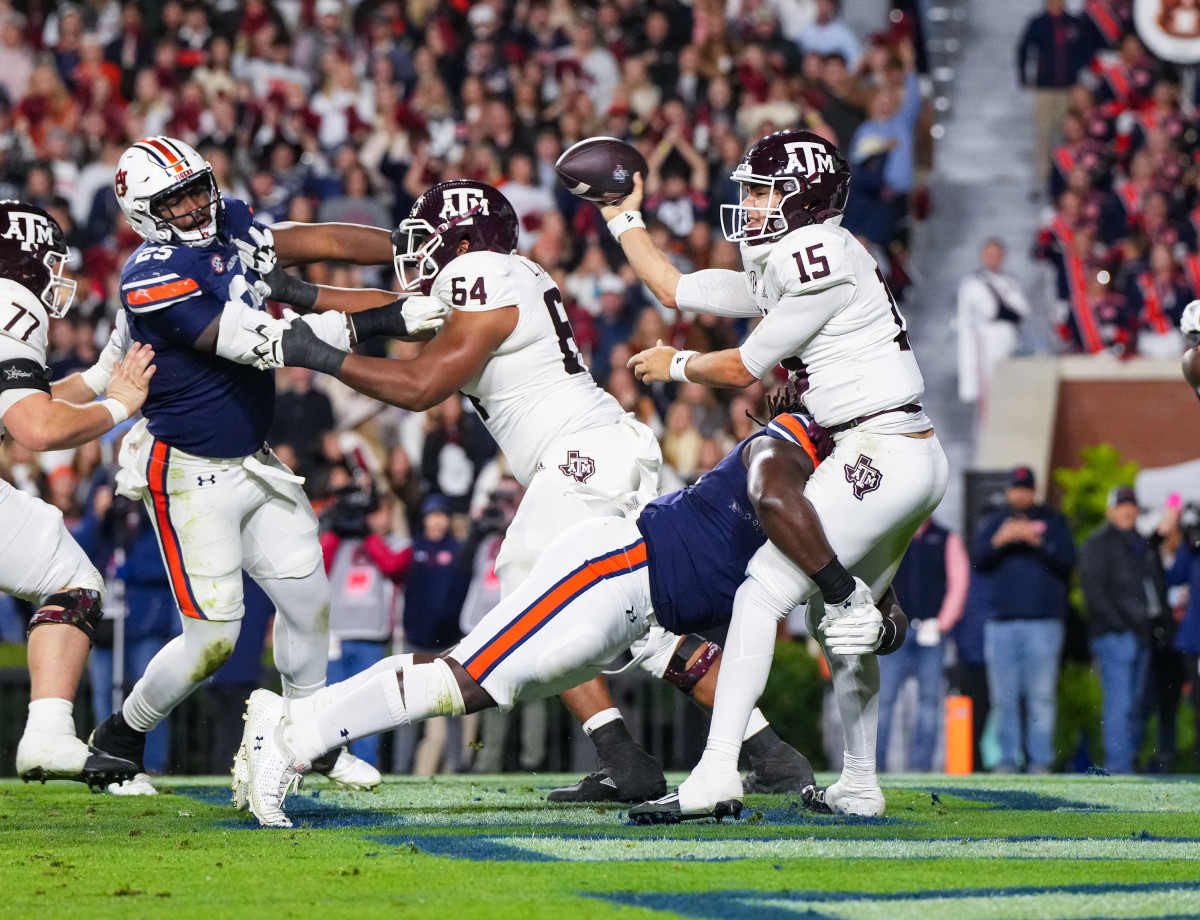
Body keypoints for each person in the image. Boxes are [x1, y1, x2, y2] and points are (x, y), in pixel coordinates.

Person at [240, 407, 908, 828]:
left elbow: (881, 608)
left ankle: (293, 721)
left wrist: (875, 618)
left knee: (476, 689)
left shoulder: (852, 492)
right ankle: (298, 738)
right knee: (471, 675)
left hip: (635, 612)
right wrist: (840, 586)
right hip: (611, 571)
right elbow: (773, 495)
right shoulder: (792, 439)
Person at [605, 128, 948, 818]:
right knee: (841, 616)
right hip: (898, 449)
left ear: (806, 200)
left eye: (765, 192)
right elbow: (675, 287)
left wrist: (677, 364)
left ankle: (716, 773)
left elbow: (741, 367)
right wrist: (622, 216)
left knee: (762, 592)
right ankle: (858, 782)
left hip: (876, 450)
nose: (752, 205)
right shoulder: (793, 260)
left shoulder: (813, 251)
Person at [89, 135, 441, 794]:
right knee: (212, 639)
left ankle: (313, 741)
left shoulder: (231, 229)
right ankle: (120, 737)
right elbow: (262, 344)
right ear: (144, 212)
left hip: (252, 458)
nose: (196, 204)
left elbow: (310, 240)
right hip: (189, 471)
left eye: (198, 187)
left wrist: (408, 242)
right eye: (176, 198)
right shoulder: (151, 275)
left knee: (309, 602)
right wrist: (386, 319)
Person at [0, 201, 155, 786]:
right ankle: (46, 734)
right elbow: (34, 426)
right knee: (71, 580)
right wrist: (119, 405)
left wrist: (94, 380)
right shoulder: (11, 297)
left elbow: (19, 397)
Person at [972, 466, 1075, 773]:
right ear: (1009, 490)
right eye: (1015, 488)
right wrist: (999, 541)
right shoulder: (995, 522)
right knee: (1003, 697)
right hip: (1001, 623)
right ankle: (1007, 759)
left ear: (1035, 490)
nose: (1020, 494)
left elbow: (1068, 560)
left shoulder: (1053, 521)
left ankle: (1040, 761)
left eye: (1025, 488)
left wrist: (1037, 541)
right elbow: (977, 560)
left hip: (1043, 623)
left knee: (1040, 697)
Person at [1079, 486, 1165, 774]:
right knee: (1121, 703)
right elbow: (1094, 593)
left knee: (1137, 703)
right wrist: (1120, 624)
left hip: (1140, 634)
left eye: (1131, 505)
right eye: (1122, 505)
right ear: (1110, 510)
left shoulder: (1137, 542)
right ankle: (1118, 766)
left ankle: (1129, 760)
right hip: (1116, 634)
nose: (1127, 510)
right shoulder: (1098, 543)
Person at [876, 517, 969, 772]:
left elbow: (958, 583)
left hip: (931, 632)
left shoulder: (945, 538)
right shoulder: (891, 536)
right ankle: (873, 766)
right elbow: (876, 580)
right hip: (895, 631)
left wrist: (943, 622)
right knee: (883, 701)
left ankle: (921, 766)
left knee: (929, 702)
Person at [1015, 0, 1090, 194]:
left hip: (1068, 88)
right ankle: (1041, 181)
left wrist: (1079, 75)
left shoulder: (1074, 23)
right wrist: (1024, 76)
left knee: (1068, 135)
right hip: (1045, 89)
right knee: (1043, 136)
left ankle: (1066, 180)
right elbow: (1023, 48)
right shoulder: (1038, 23)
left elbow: (1084, 50)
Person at [956, 238, 1031, 405]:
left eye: (997, 254)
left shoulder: (1010, 281)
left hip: (1009, 340)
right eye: (989, 254)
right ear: (982, 256)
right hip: (986, 342)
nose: (993, 258)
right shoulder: (972, 284)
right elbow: (988, 312)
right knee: (988, 392)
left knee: (1008, 389)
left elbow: (1022, 310)